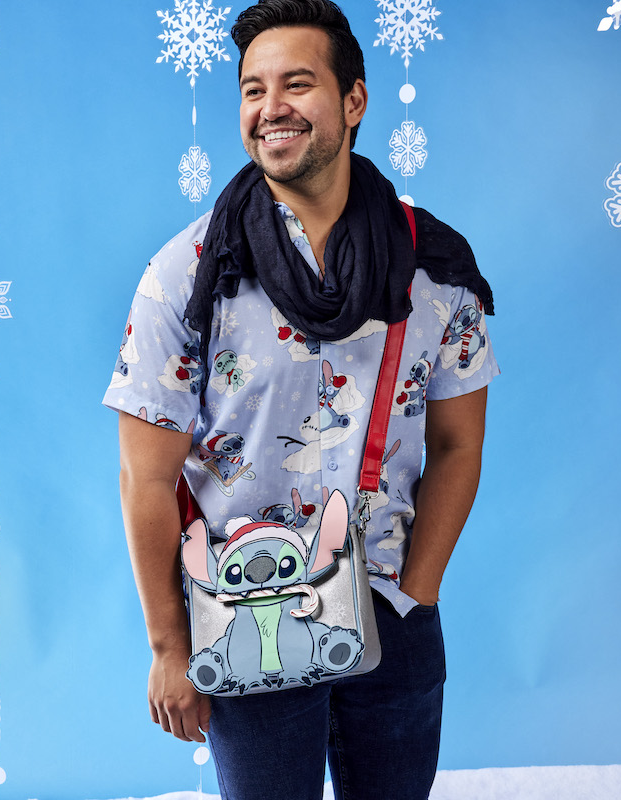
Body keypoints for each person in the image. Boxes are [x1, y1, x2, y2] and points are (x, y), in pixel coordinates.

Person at [103, 1, 499, 798]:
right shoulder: (188, 274)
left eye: (296, 83)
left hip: (394, 612)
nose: (270, 108)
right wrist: (168, 647)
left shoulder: (434, 270)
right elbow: (146, 478)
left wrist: (416, 594)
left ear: (354, 100)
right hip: (248, 614)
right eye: (252, 89)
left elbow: (458, 445)